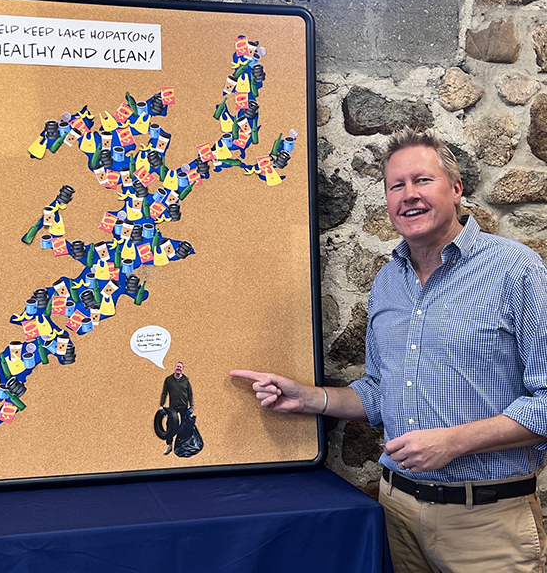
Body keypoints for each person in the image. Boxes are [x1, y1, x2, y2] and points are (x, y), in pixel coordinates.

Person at [231, 127, 547, 573]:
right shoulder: (387, 282)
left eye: (423, 180)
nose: (409, 194)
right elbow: (380, 392)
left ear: (456, 189)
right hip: (396, 513)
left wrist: (453, 442)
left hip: (487, 524)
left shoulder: (516, 269)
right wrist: (307, 398)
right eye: (396, 185)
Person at [160, 361, 194, 455]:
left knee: (184, 426)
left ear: (182, 369)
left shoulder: (186, 380)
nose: (178, 368)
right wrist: (161, 405)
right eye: (177, 366)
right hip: (173, 407)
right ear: (175, 368)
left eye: (180, 367)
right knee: (170, 425)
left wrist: (191, 406)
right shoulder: (168, 380)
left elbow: (190, 394)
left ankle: (182, 446)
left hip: (184, 407)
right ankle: (169, 445)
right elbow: (164, 393)